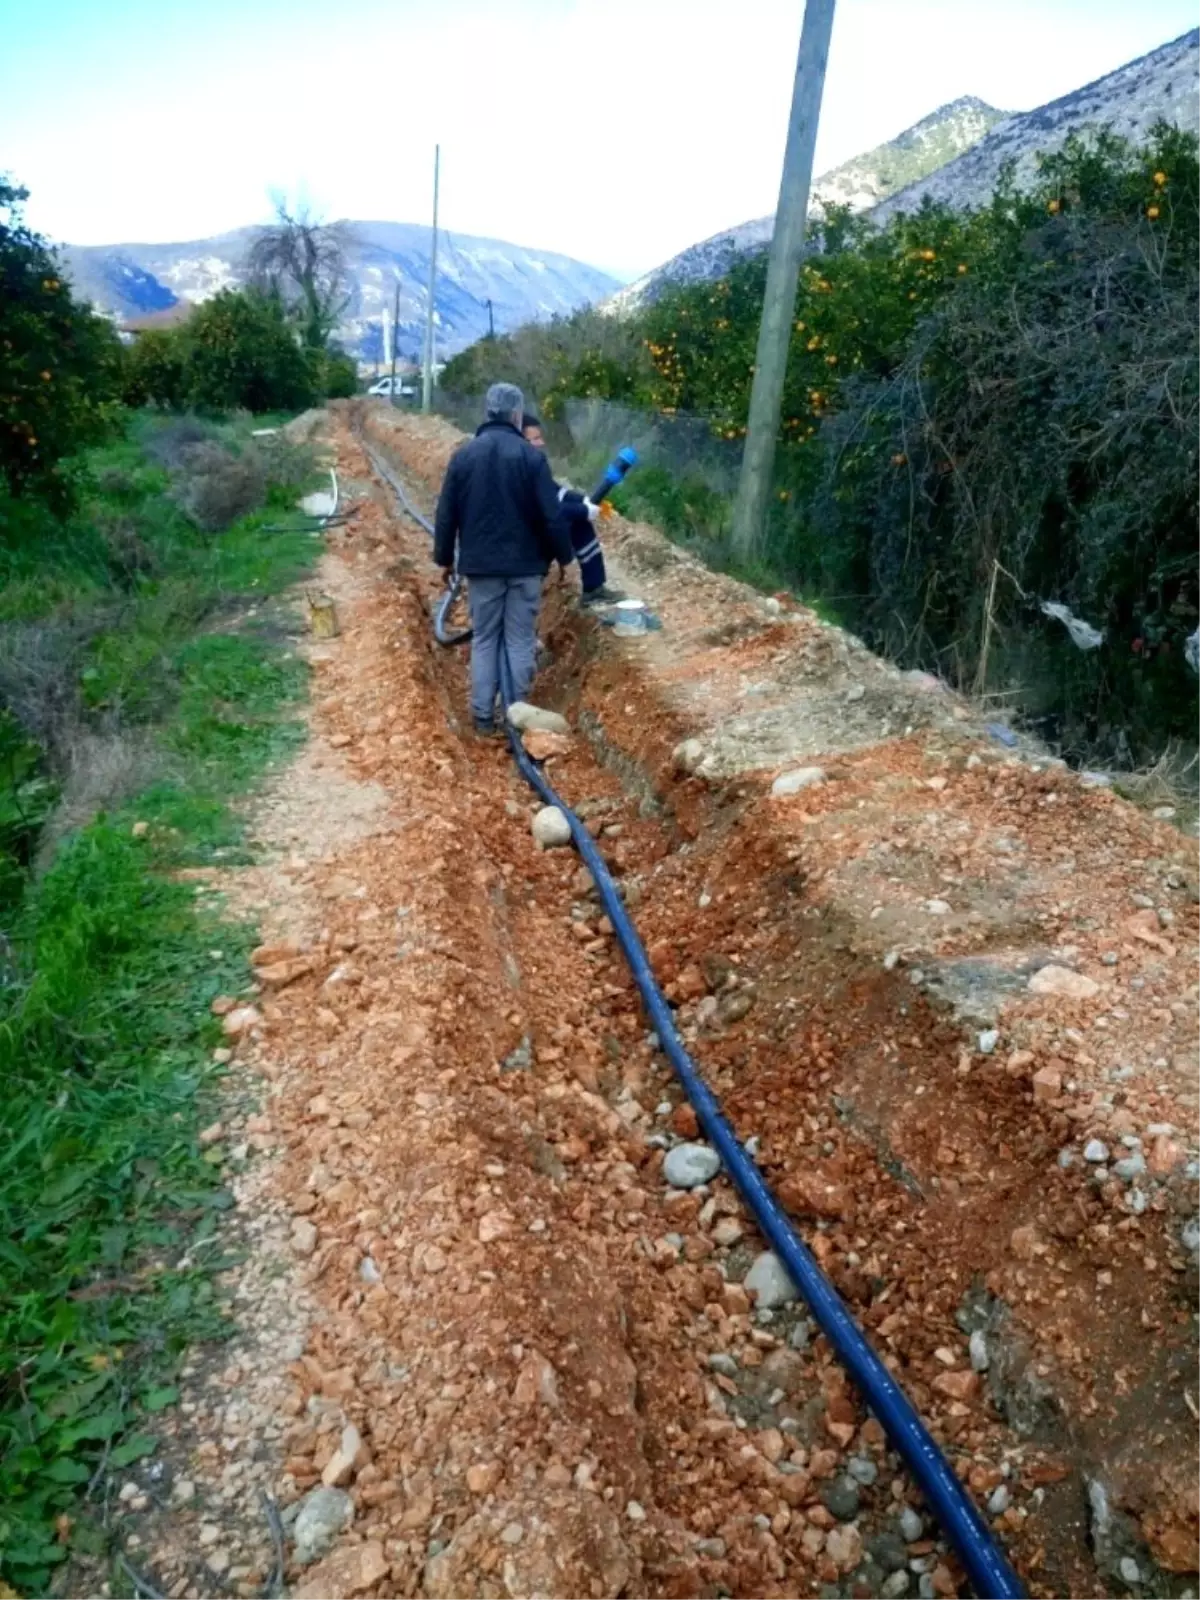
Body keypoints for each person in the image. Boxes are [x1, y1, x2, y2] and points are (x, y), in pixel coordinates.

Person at [433, 382, 574, 736]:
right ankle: (516, 714)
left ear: (487, 412)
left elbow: (446, 513)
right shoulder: (531, 458)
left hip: (481, 568)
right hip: (527, 568)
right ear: (516, 415)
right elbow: (551, 514)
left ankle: (482, 718)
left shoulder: (464, 457)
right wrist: (563, 557)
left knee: (484, 639)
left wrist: (445, 559)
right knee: (519, 638)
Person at [521, 415, 625, 608]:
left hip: (529, 536)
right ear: (521, 441)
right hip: (524, 546)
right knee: (577, 518)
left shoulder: (530, 463)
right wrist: (584, 511)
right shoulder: (521, 469)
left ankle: (594, 589)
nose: (541, 443)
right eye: (535, 439)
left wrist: (582, 501)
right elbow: (551, 512)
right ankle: (590, 588)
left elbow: (555, 492)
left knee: (580, 521)